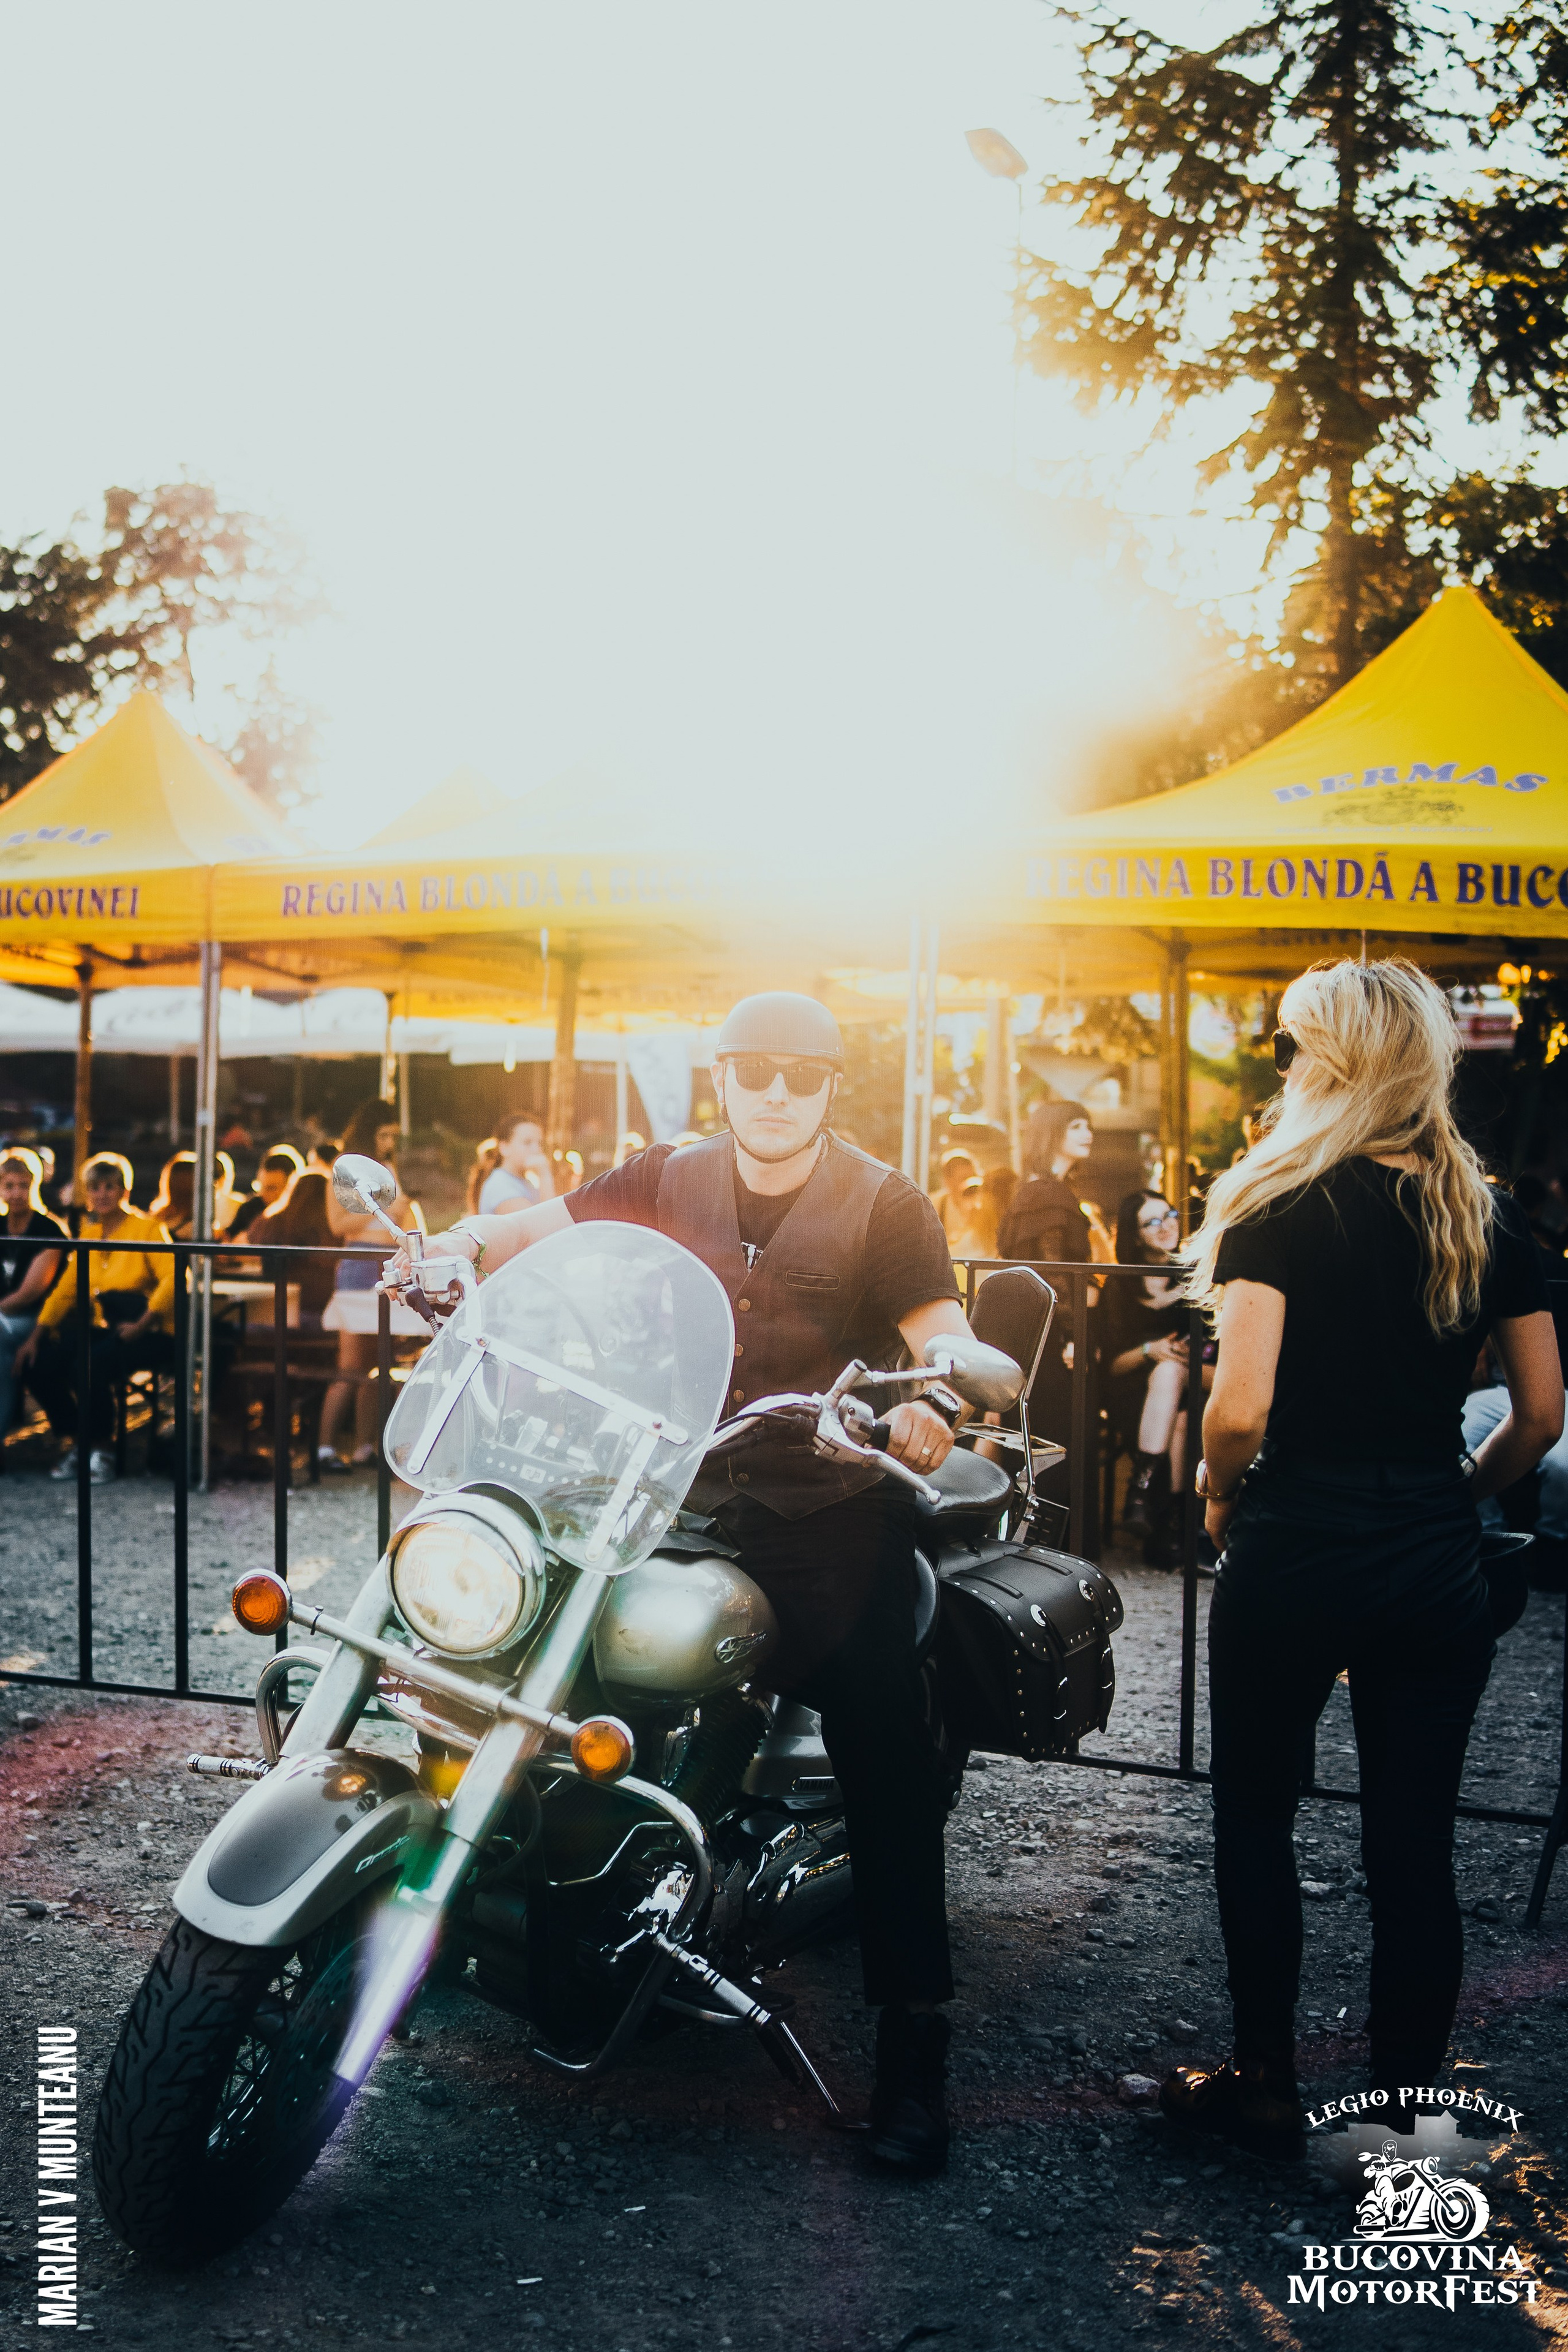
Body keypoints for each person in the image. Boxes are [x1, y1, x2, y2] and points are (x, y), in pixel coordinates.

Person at [394, 991, 987, 2177]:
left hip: (815, 1512)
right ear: (720, 1074)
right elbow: (537, 1226)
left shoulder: (886, 1202)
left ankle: (913, 2049)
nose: (773, 1091)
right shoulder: (667, 1172)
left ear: (830, 1085)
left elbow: (945, 1332)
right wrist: (456, 1247)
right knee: (493, 1652)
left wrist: (935, 1397)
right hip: (655, 1484)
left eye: (799, 1074)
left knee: (881, 1740)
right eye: (751, 1069)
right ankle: (465, 1925)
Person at [1163, 957, 1562, 2155]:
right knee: (1411, 1843)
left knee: (1253, 1819)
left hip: (1294, 1542)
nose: (1286, 1067)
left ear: (1331, 1061)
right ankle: (1397, 2115)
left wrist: (1214, 1500)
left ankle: (1266, 2081)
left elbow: (1236, 1413)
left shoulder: (1277, 1201)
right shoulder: (1480, 1213)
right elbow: (1536, 1419)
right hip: (1429, 1558)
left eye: (1296, 1047)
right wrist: (1452, 1493)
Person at [16, 1153, 179, 1483]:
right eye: (95, 1188)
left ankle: (103, 1448)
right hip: (111, 1329)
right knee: (37, 1362)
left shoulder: (148, 1229)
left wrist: (143, 1324)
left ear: (124, 1191)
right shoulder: (90, 1233)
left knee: (88, 1366)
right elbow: (65, 1290)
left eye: (110, 1187)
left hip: (153, 1330)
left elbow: (176, 1278)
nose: (102, 1194)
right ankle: (81, 1440)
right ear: (87, 1194)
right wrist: (34, 1337)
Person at [319, 1099, 421, 1469]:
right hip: (358, 1263)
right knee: (350, 1363)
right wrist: (378, 1206)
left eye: (393, 1136)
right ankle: (325, 1448)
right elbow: (337, 1225)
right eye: (383, 1135)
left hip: (387, 1261)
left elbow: (405, 1218)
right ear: (367, 1135)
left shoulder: (391, 1167)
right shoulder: (346, 1170)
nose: (389, 1143)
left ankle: (366, 1445)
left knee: (380, 1362)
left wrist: (399, 1213)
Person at [1102, 1190, 1193, 1559]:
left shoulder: (1196, 1280)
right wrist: (1149, 1351)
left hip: (1193, 1384)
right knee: (1181, 1419)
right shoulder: (1120, 1285)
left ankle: (1140, 1490)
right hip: (1131, 1396)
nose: (1166, 1225)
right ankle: (1170, 1528)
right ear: (1135, 1235)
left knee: (1174, 1378)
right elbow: (1110, 1366)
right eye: (1152, 1222)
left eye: (1169, 1215)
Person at [0, 1151, 66, 1450]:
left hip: (40, 1318)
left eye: (23, 1185)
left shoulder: (48, 1230)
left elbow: (30, 1293)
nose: (16, 1193)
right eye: (9, 1185)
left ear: (35, 1186)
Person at [997, 1102, 1095, 1263]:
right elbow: (1051, 1268)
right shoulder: (1045, 1192)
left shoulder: (1045, 1187)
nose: (1088, 1134)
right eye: (1076, 1127)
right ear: (1051, 1132)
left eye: (1088, 1127)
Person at [469, 1113, 554, 1216]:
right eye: (527, 1142)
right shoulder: (501, 1186)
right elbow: (546, 1224)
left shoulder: (525, 1183)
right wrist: (544, 1175)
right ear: (504, 1148)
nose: (537, 1150)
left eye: (540, 1143)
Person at [225, 1146, 305, 1236]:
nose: (263, 1194)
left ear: (291, 1189)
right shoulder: (250, 1208)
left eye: (271, 1188)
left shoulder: (303, 1217)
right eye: (261, 1187)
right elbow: (229, 1235)